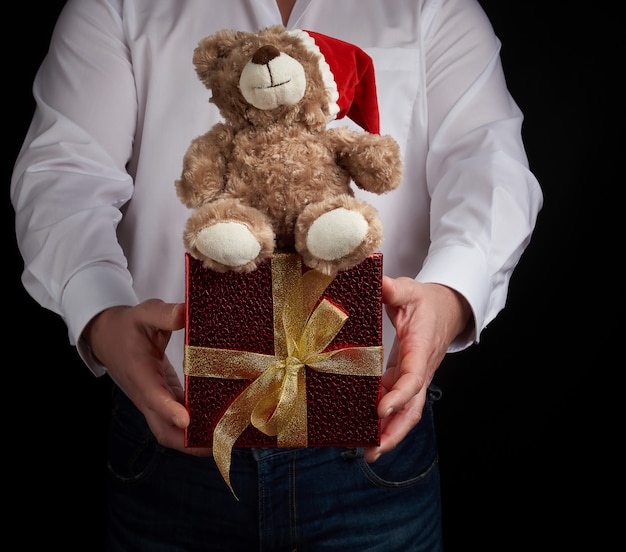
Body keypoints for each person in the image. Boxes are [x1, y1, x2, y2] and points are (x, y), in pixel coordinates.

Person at [11, 0, 543, 550]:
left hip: (369, 442)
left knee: (339, 223)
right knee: (224, 224)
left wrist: (451, 297)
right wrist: (100, 315)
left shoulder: (436, 6)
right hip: (171, 431)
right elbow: (62, 174)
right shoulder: (114, 6)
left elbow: (489, 167)